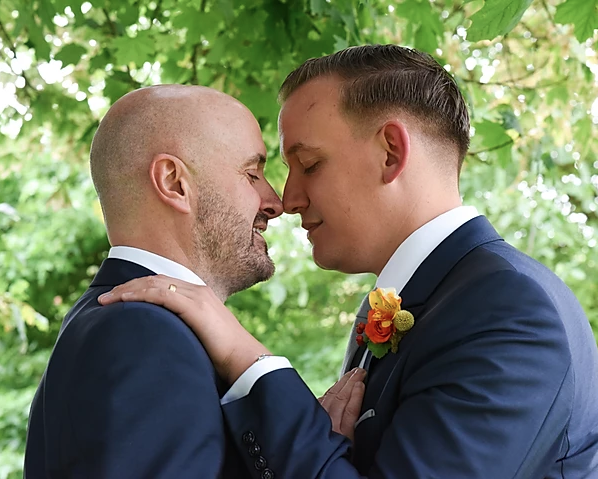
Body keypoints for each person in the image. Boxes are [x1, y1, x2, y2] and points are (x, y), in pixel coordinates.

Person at [100, 45, 598, 478]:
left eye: (309, 164)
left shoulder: (508, 311)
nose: (288, 198)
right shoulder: (400, 305)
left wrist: (249, 362)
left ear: (390, 153)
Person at [24, 84, 288, 478]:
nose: (275, 202)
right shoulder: (143, 333)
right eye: (252, 174)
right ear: (174, 182)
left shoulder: (114, 321)